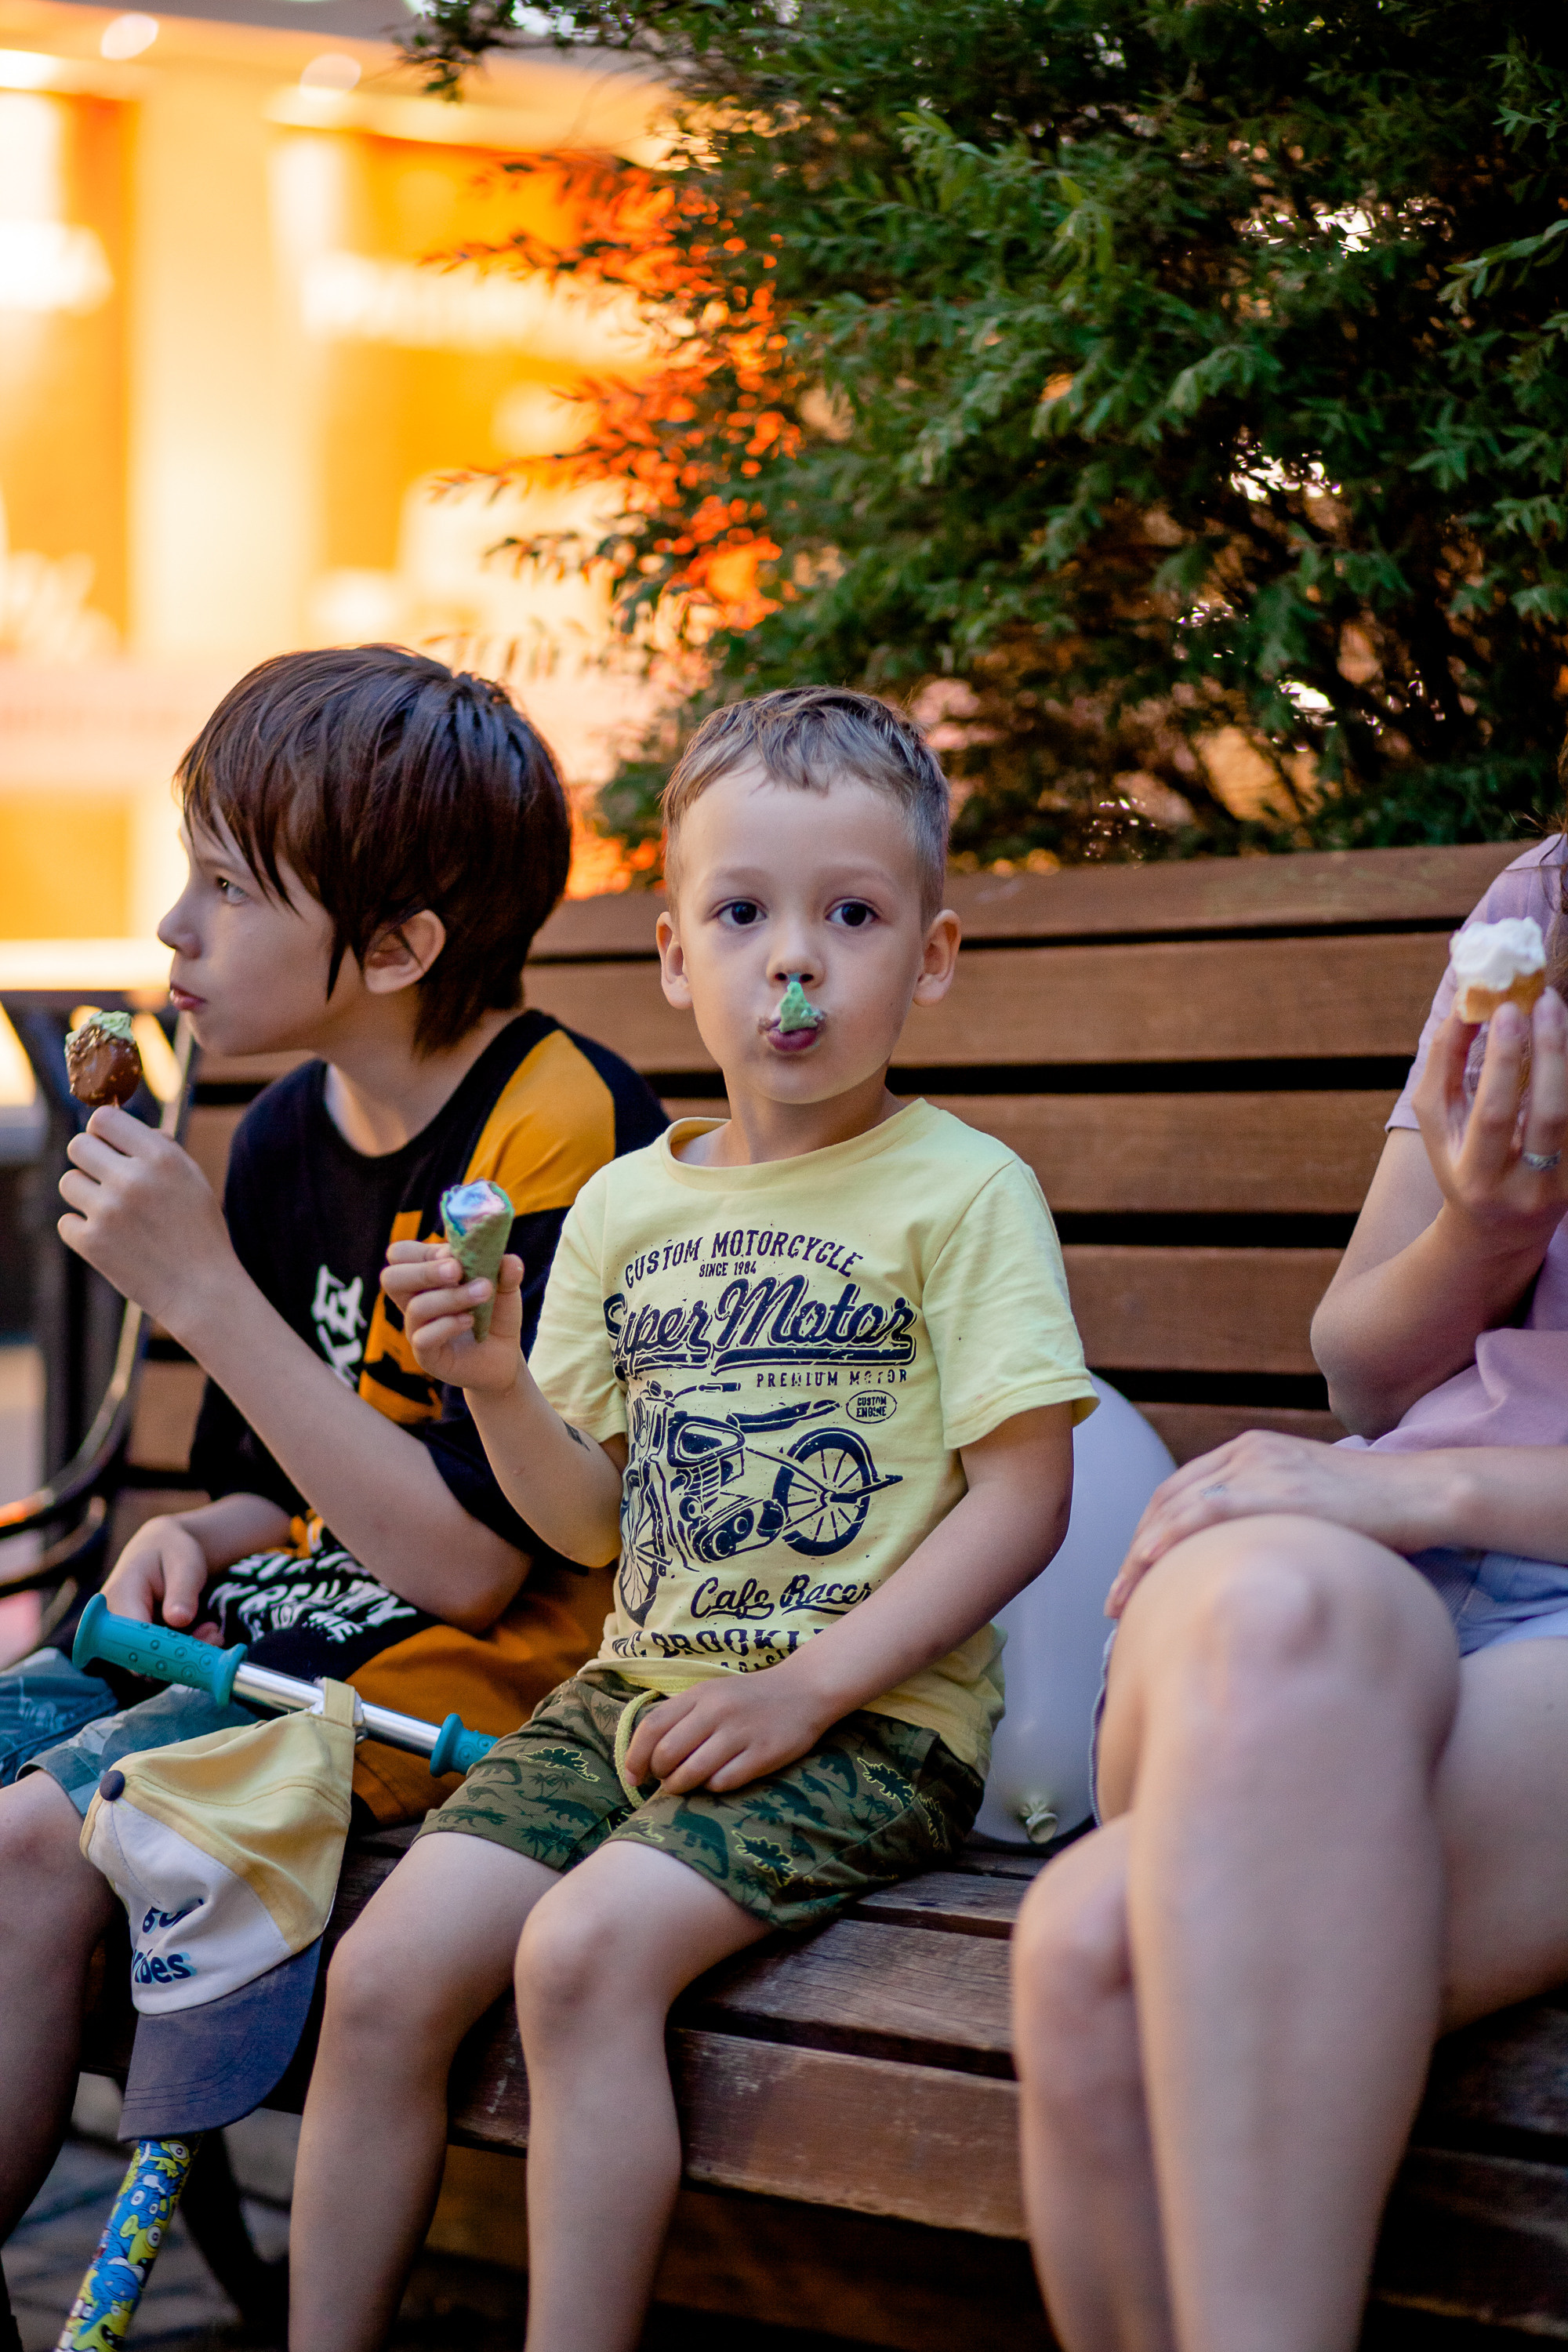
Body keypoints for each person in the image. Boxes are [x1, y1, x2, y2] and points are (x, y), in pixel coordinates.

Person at [287, 684, 1098, 2352]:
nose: (790, 962)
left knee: (582, 1956)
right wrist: (501, 1390)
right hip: (634, 1698)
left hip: (871, 1722)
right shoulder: (631, 1206)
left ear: (928, 958)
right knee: (376, 1976)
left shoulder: (962, 1191)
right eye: (741, 914)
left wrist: (808, 1689)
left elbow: (1024, 1499)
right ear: (673, 956)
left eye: (850, 917)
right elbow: (585, 1530)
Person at [0, 647, 666, 2310]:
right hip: (269, 1632)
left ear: (394, 945)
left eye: (225, 886)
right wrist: (186, 1533)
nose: (173, 929)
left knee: (27, 1842)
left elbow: (470, 1565)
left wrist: (202, 1288)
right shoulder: (295, 1124)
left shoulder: (561, 1133)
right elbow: (264, 1488)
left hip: (455, 1680)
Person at [1011, 827, 1568, 2352]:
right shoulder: (1546, 901)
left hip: (1504, 1580)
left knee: (1093, 1956)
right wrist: (1487, 1228)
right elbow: (1363, 1362)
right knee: (1275, 1614)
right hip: (1371, 1554)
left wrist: (1430, 1486)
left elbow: (1392, 1452)